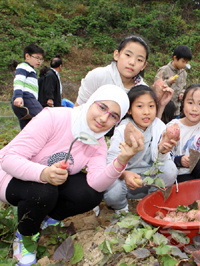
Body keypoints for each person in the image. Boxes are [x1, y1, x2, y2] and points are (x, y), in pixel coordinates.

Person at [0, 84, 139, 265]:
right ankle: (25, 237)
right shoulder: (54, 118)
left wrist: (122, 159)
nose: (104, 118)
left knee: (91, 194)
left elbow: (97, 183)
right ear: (91, 101)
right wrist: (43, 173)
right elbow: (8, 158)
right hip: (10, 178)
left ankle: (45, 219)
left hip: (48, 184)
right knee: (44, 192)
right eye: (102, 107)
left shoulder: (97, 142)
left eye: (113, 116)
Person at [104, 85, 178, 213]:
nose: (146, 112)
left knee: (170, 169)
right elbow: (110, 163)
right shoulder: (122, 130)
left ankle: (151, 200)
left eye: (151, 106)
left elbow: (161, 161)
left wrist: (163, 151)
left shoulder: (158, 126)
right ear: (129, 110)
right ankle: (121, 208)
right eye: (139, 106)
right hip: (126, 181)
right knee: (111, 191)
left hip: (150, 177)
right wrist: (125, 174)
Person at [75, 35, 172, 119]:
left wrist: (161, 105)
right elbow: (77, 110)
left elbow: (146, 125)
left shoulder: (142, 89)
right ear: (116, 55)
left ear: (143, 65)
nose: (132, 62)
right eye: (128, 55)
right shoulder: (99, 76)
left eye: (139, 59)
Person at [167, 84, 200, 183]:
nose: (194, 109)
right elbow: (163, 154)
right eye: (190, 102)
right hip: (177, 177)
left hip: (197, 175)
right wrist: (179, 160)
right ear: (183, 104)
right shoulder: (172, 126)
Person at [11, 44, 45, 129]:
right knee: (44, 118)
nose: (39, 61)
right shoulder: (23, 66)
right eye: (37, 58)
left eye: (41, 59)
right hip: (26, 98)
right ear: (27, 56)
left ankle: (25, 142)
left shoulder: (31, 70)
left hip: (25, 100)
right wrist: (18, 96)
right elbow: (19, 81)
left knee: (27, 129)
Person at [154, 45, 192, 118]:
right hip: (163, 110)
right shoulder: (164, 70)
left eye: (186, 62)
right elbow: (155, 88)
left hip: (176, 111)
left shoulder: (183, 73)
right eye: (183, 61)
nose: (184, 64)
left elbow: (183, 87)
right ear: (175, 58)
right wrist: (168, 82)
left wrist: (182, 93)